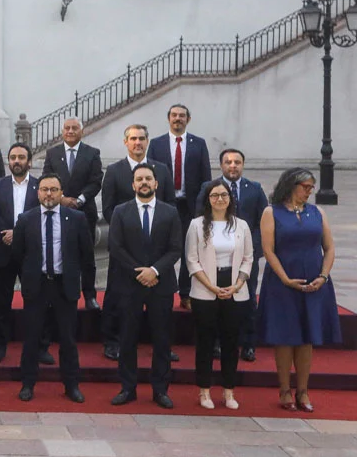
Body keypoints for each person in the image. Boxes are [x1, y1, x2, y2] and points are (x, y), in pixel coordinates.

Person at [258, 168, 341, 414]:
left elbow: (329, 247)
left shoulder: (317, 212)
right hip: (282, 282)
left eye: (311, 188)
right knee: (285, 337)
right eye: (305, 187)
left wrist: (323, 276)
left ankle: (303, 391)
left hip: (315, 282)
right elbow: (268, 249)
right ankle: (284, 389)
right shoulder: (271, 212)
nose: (308, 192)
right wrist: (285, 278)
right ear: (291, 185)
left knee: (307, 337)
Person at [12, 173, 93, 404]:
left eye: (54, 190)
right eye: (45, 189)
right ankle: (27, 384)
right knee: (31, 338)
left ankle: (71, 385)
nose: (49, 194)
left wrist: (87, 291)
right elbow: (18, 255)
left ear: (61, 193)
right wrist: (27, 280)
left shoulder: (76, 218)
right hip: (36, 286)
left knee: (67, 339)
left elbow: (87, 256)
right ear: (38, 192)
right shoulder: (25, 219)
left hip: (64, 285)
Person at [108, 163, 184, 409]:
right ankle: (127, 388)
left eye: (148, 179)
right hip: (129, 285)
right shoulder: (121, 211)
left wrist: (154, 270)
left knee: (161, 340)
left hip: (161, 284)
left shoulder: (170, 212)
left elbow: (175, 248)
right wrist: (140, 271)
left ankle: (160, 390)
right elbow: (115, 247)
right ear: (133, 185)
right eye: (139, 179)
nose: (144, 182)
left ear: (156, 183)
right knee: (127, 339)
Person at [99, 124, 176, 361]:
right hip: (124, 249)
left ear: (147, 141)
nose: (137, 142)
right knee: (116, 297)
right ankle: (112, 341)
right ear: (126, 142)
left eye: (142, 138)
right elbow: (109, 207)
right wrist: (125, 232)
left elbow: (169, 204)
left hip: (157, 249)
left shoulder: (162, 170)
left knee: (159, 306)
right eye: (133, 138)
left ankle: (162, 345)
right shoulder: (114, 170)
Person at [185, 180, 253, 410]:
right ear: (208, 199)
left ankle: (229, 391)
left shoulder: (241, 225)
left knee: (231, 342)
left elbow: (248, 258)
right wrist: (211, 286)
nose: (220, 199)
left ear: (230, 198)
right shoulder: (196, 225)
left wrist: (237, 284)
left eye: (224, 195)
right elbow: (191, 260)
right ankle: (204, 391)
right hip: (205, 288)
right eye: (215, 195)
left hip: (234, 288)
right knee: (205, 342)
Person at [0, 143, 49, 365]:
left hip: (31, 252)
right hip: (3, 250)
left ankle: (40, 346)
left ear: (29, 161)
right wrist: (8, 233)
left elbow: (43, 213)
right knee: (1, 302)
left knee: (36, 301)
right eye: (13, 157)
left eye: (21, 157)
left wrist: (18, 233)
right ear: (8, 161)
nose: (17, 161)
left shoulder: (40, 185)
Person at [148, 104, 212, 308]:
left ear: (188, 119)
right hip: (163, 205)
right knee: (161, 248)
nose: (178, 118)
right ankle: (159, 291)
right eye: (174, 115)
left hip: (190, 207)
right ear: (168, 118)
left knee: (189, 250)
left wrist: (203, 208)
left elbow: (206, 178)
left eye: (182, 115)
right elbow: (150, 175)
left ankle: (186, 294)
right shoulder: (156, 144)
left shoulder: (198, 144)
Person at [213, 148, 268, 362]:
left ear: (243, 165)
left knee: (247, 299)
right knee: (218, 298)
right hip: (218, 256)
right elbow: (202, 218)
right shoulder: (210, 188)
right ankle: (217, 342)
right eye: (228, 162)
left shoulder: (255, 189)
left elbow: (263, 222)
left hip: (247, 256)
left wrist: (251, 248)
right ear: (221, 165)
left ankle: (248, 344)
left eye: (237, 162)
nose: (233, 165)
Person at [41, 116, 103, 266]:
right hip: (58, 210)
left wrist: (79, 200)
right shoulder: (52, 153)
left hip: (85, 211)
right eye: (67, 128)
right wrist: (61, 198)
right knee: (60, 255)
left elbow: (96, 181)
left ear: (82, 131)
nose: (70, 131)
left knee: (86, 257)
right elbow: (46, 179)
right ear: (62, 131)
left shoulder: (92, 153)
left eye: (74, 128)